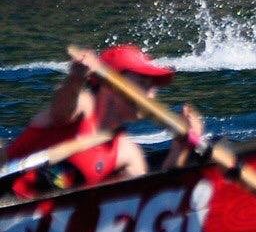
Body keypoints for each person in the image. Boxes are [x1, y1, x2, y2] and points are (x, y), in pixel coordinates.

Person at [5, 45, 202, 199]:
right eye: (142, 84)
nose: (150, 96)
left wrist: (180, 148)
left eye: (152, 89)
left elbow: (151, 204)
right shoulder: (82, 106)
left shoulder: (126, 152)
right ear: (111, 85)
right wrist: (76, 77)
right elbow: (61, 110)